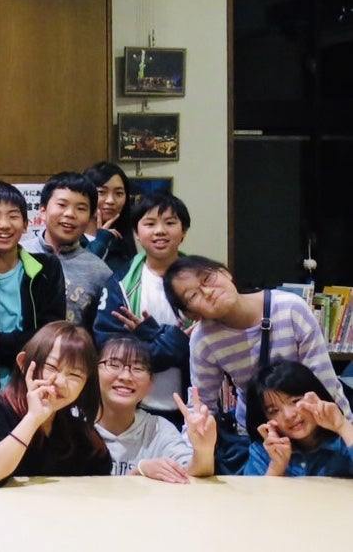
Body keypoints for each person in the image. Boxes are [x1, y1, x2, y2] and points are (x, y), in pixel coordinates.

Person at [162, 256, 351, 421]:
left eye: (207, 279)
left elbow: (324, 383)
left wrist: (342, 432)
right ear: (191, 314)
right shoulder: (204, 340)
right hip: (260, 431)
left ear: (225, 272)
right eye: (193, 295)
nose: (208, 292)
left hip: (315, 421)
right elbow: (202, 407)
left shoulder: (290, 309)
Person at [0, 322, 111, 488]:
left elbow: (103, 481)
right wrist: (33, 418)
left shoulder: (77, 429)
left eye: (75, 375)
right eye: (51, 367)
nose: (61, 382)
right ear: (23, 363)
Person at [93, 192, 193, 425]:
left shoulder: (202, 283)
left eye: (170, 223)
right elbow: (111, 352)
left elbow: (207, 347)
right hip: (133, 407)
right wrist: (176, 344)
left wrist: (149, 337)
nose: (160, 231)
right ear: (137, 233)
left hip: (193, 408)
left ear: (184, 232)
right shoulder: (120, 284)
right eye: (150, 224)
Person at [0, 181, 66, 394]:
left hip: (40, 387)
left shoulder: (46, 268)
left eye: (13, 216)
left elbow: (52, 334)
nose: (4, 224)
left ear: (26, 224)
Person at [94, 337, 216, 482]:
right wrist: (138, 471)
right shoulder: (76, 425)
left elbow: (189, 474)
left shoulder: (158, 429)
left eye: (138, 368)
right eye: (114, 365)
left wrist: (203, 451)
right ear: (93, 373)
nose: (125, 376)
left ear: (150, 383)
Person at [21, 172, 113, 327]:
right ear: (42, 211)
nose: (70, 214)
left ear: (90, 217)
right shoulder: (17, 254)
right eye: (62, 205)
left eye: (81, 208)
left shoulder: (100, 272)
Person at [244, 362, 353, 477]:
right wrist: (276, 467)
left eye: (295, 401)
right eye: (274, 411)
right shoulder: (264, 451)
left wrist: (342, 425)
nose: (289, 415)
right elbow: (254, 489)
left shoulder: (344, 439)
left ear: (316, 395)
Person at [83, 162, 137, 274]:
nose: (110, 200)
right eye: (101, 192)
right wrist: (100, 240)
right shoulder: (69, 241)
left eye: (119, 193)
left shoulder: (125, 240)